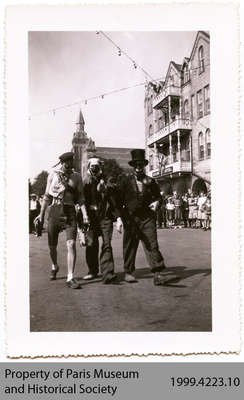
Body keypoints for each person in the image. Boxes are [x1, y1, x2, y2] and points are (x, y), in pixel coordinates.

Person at [35, 152, 89, 289]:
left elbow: (81, 198)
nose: (68, 166)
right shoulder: (53, 175)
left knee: (71, 244)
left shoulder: (76, 177)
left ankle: (70, 277)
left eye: (70, 163)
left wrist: (85, 215)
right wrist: (41, 215)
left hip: (70, 211)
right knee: (52, 246)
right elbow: (47, 196)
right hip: (54, 210)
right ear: (62, 163)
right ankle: (55, 265)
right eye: (66, 163)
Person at [116, 149, 168, 286]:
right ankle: (128, 272)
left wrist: (157, 202)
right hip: (130, 218)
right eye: (136, 165)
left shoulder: (150, 181)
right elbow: (118, 201)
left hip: (147, 218)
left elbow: (159, 197)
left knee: (152, 243)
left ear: (144, 166)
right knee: (129, 245)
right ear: (133, 166)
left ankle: (157, 273)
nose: (138, 168)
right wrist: (119, 218)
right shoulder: (125, 181)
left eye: (141, 165)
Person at [82, 157, 119, 284]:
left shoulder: (106, 178)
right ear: (88, 167)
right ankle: (92, 271)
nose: (94, 168)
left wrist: (105, 187)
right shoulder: (85, 181)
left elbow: (113, 188)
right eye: (92, 166)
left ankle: (108, 273)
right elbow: (80, 199)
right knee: (91, 244)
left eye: (96, 166)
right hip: (91, 217)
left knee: (107, 244)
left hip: (105, 216)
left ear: (100, 167)